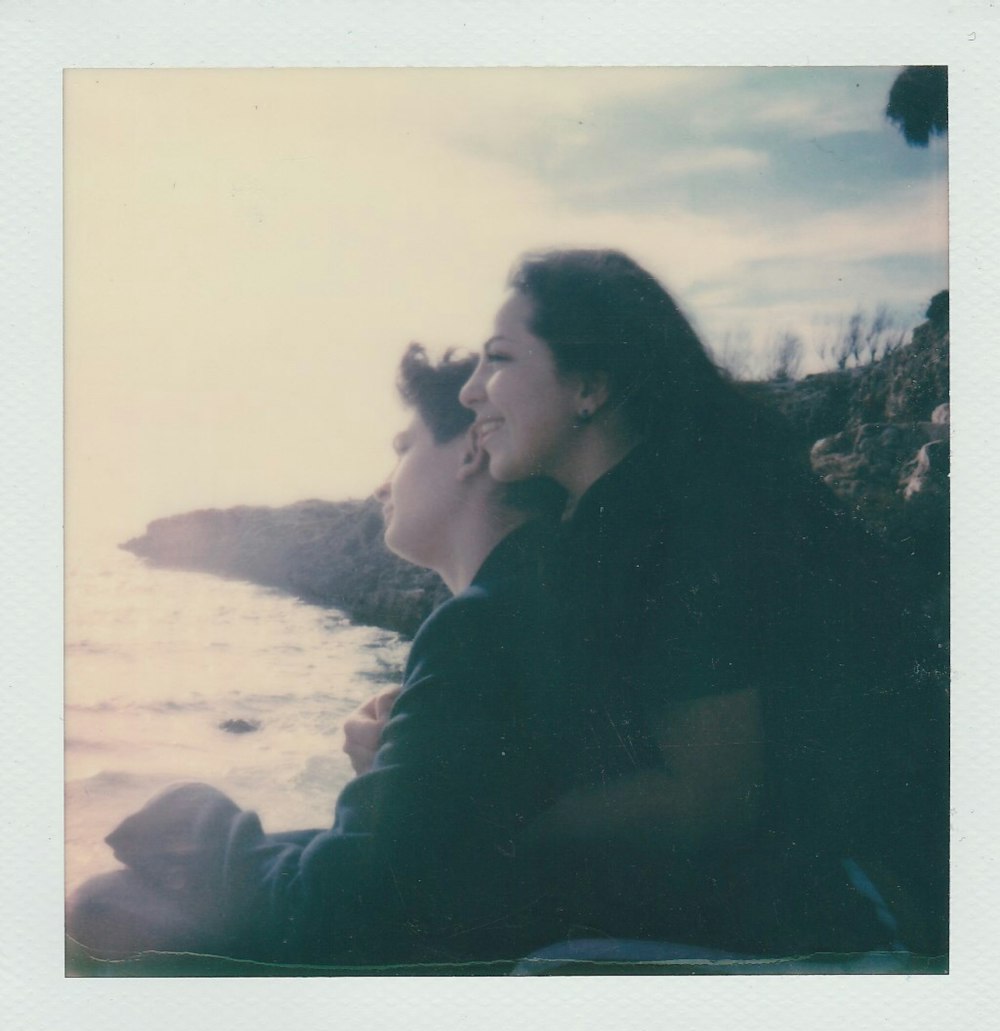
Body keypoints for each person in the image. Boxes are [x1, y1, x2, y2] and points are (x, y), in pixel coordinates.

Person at [459, 248, 946, 963]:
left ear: (590, 385)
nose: (472, 391)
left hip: (873, 900)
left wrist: (483, 822)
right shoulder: (632, 508)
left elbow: (708, 797)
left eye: (497, 359)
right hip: (818, 880)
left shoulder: (690, 516)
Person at [67, 345, 576, 973]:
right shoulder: (535, 595)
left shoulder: (477, 624)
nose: (382, 482)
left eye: (402, 448)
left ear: (472, 449)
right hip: (508, 918)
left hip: (461, 947)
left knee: (102, 906)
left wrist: (193, 812)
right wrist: (396, 765)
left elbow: (336, 906)